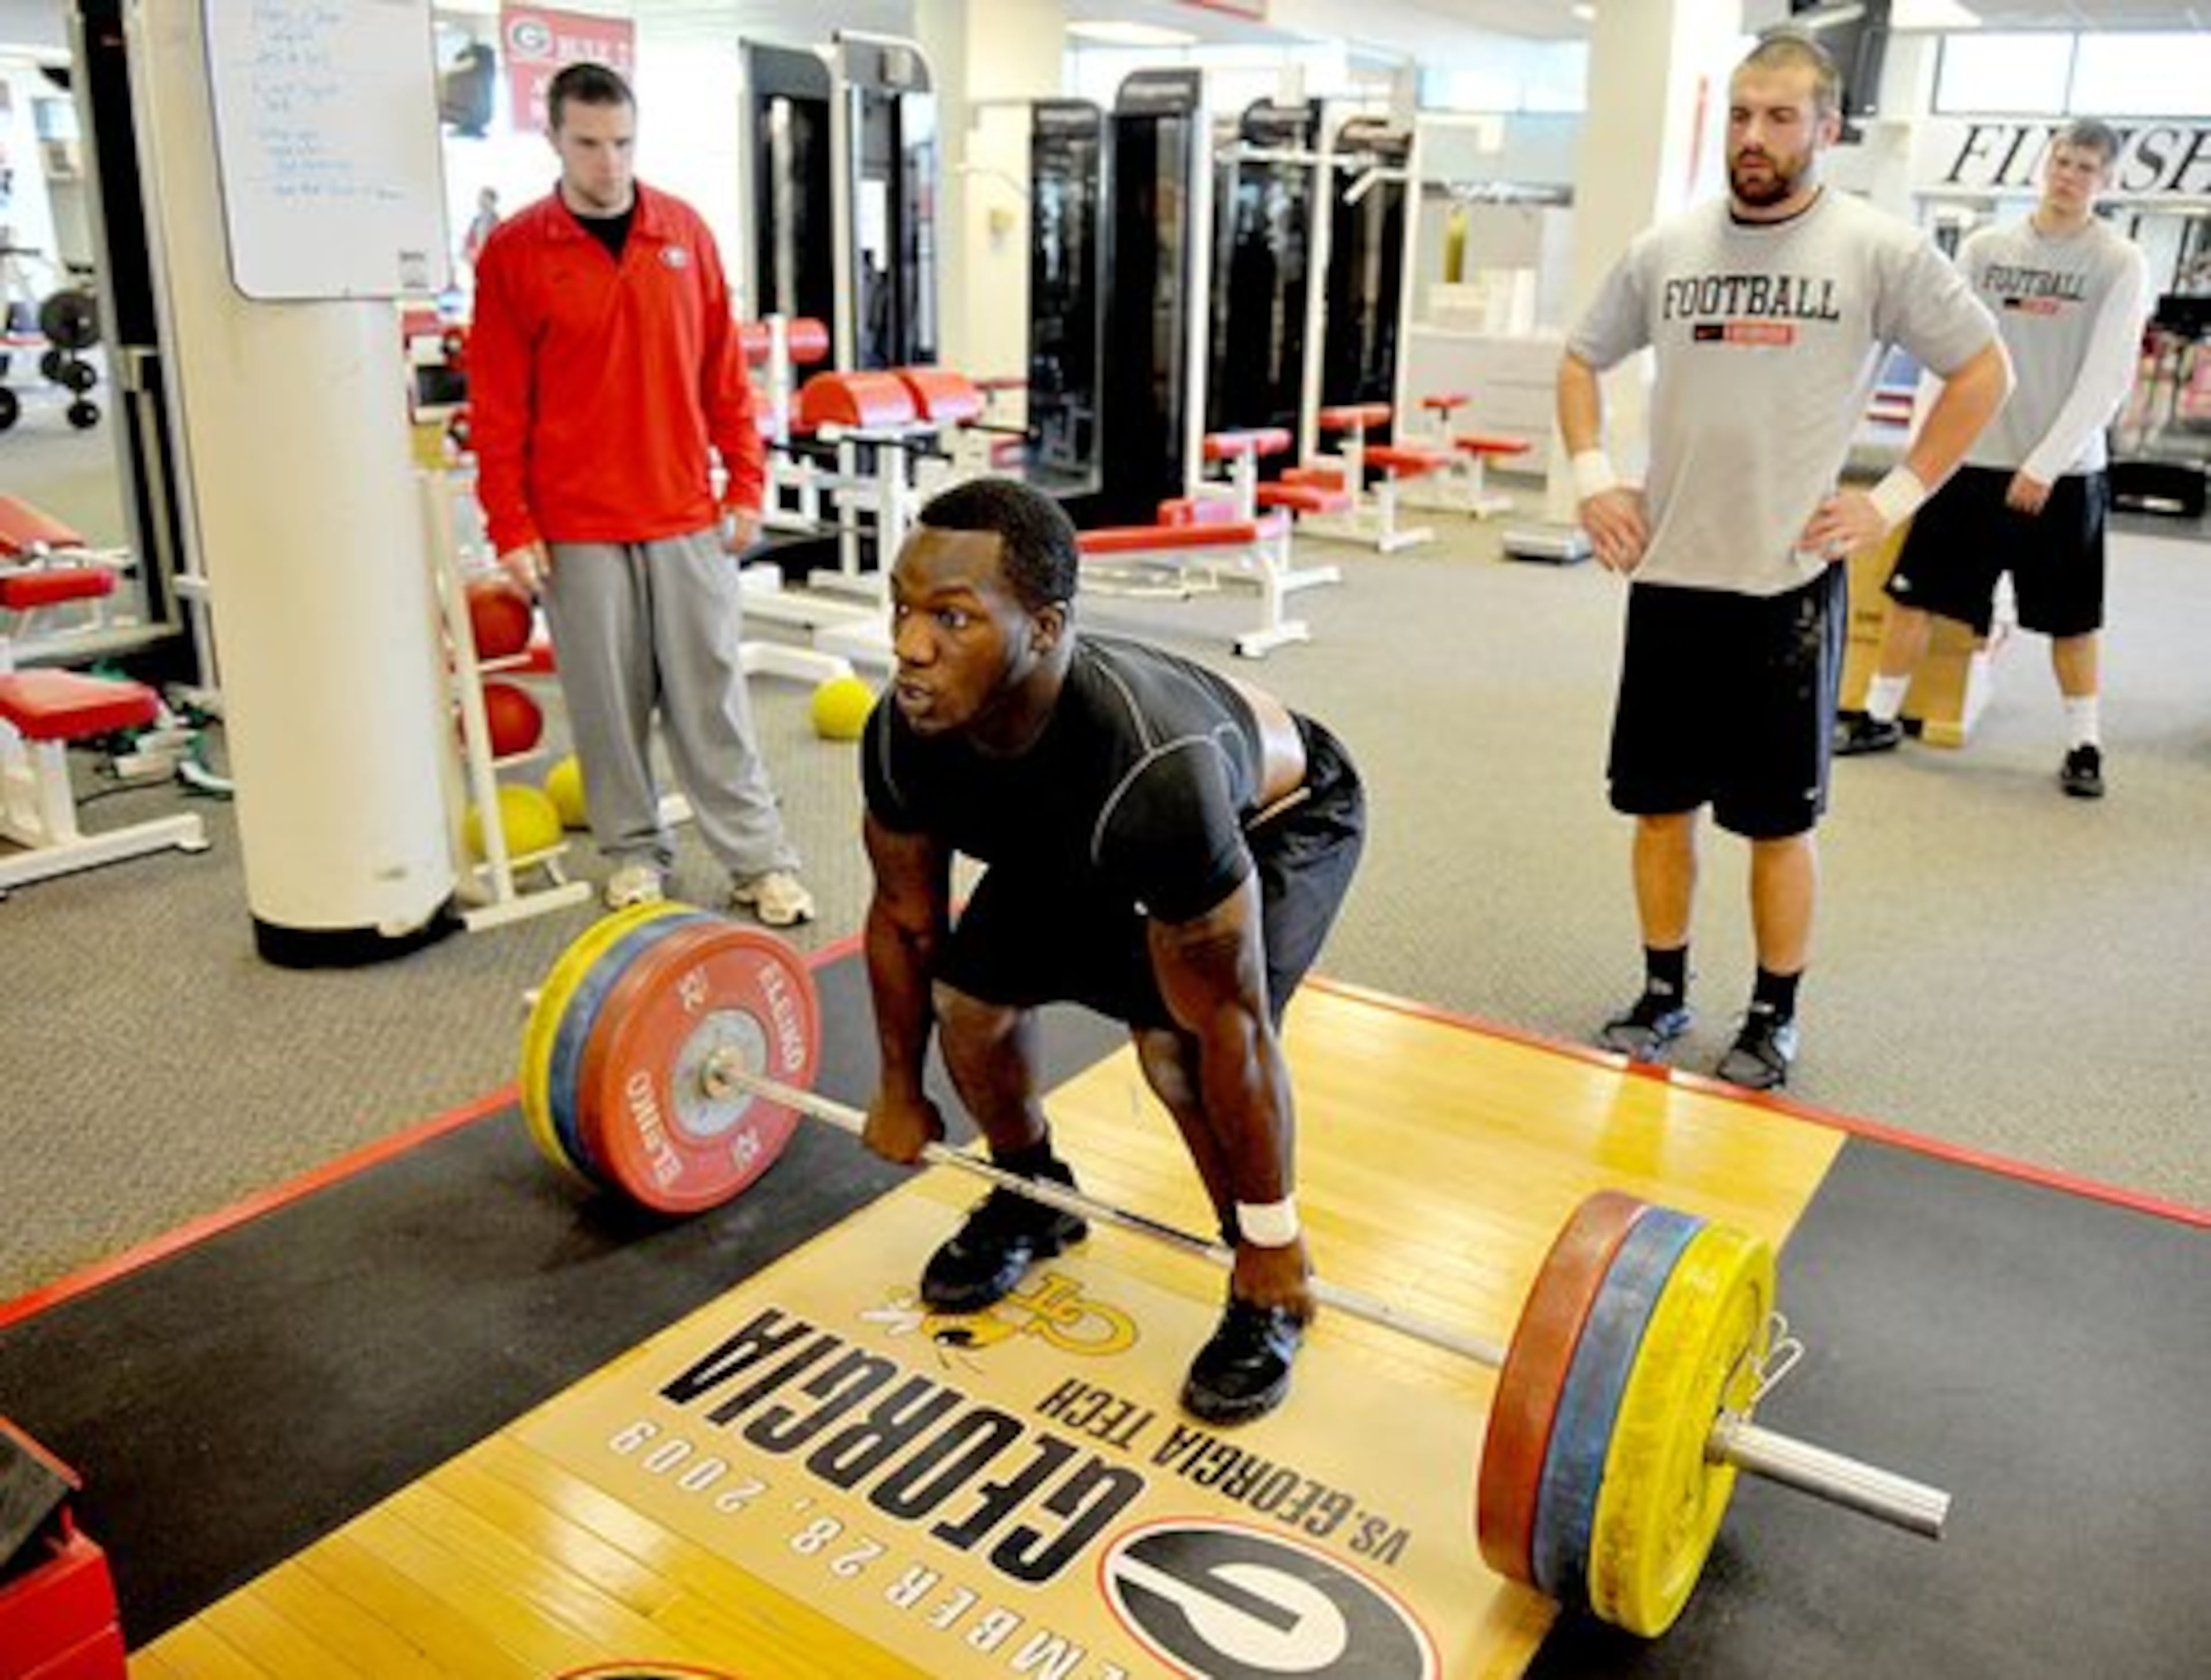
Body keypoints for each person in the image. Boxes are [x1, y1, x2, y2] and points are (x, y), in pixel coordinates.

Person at [856, 477, 1365, 1426]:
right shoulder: (906, 728)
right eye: (903, 606)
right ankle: (1033, 1192)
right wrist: (899, 1082)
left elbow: (1235, 1027)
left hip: (1272, 821)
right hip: (1074, 829)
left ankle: (1264, 1283)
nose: (909, 645)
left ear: (1044, 629)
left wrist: (1272, 1235)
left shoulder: (1155, 768)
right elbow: (905, 918)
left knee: (1176, 1044)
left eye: (952, 617)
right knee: (971, 1002)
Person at [1559, 32, 2010, 1090]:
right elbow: (1582, 357)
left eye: (1779, 118)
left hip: (1787, 589)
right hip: (1671, 578)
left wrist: (1893, 497)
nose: (1754, 138)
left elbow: (1982, 369)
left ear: (1827, 128)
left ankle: (1774, 1012)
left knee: (1775, 823)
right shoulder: (1666, 248)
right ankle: (1664, 991)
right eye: (1742, 116)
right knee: (1659, 807)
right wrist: (1593, 477)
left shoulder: (1876, 249)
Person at [468, 63, 813, 925]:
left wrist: (746, 476)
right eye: (588, 144)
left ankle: (757, 858)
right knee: (608, 703)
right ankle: (633, 853)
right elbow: (497, 402)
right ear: (553, 140)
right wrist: (508, 523)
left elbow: (722, 374)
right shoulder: (515, 252)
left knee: (711, 695)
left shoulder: (683, 232)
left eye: (622, 142)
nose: (608, 162)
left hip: (682, 508)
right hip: (575, 522)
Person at [1836, 120, 2151, 800]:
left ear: (2108, 181)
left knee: (2071, 620)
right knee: (1911, 596)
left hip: (2060, 475)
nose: (2069, 175)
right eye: (2062, 160)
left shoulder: (2119, 262)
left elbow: (2108, 377)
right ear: (2047, 163)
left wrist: (2045, 461)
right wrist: (1927, 456)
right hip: (1971, 461)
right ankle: (1878, 716)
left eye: (2086, 168)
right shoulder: (1986, 248)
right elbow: (1948, 353)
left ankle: (2085, 745)